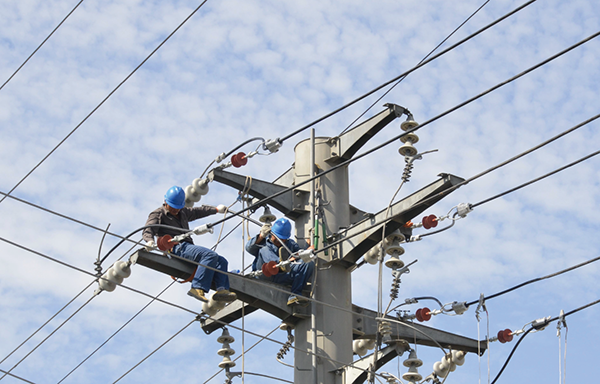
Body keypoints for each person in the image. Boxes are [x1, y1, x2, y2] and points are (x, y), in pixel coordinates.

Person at [142, 186, 236, 303]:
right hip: (175, 248)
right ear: (166, 202)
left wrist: (216, 210)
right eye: (173, 208)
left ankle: (222, 290)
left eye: (178, 208)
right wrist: (149, 241)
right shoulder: (158, 214)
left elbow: (198, 211)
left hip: (187, 247)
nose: (176, 210)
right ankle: (197, 287)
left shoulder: (183, 212)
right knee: (210, 255)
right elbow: (148, 229)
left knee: (222, 261)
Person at [245, 217, 315, 306]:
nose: (280, 241)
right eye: (278, 238)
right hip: (264, 275)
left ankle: (295, 295)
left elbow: (300, 257)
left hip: (282, 276)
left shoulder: (290, 244)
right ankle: (280, 264)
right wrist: (261, 236)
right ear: (272, 234)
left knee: (308, 263)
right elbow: (249, 248)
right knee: (264, 250)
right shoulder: (263, 243)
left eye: (283, 239)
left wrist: (307, 250)